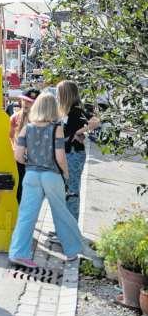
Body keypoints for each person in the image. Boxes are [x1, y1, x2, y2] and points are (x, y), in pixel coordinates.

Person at [8, 93, 92, 268]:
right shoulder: (56, 128)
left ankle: (18, 253)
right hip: (51, 176)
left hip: (31, 175)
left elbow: (18, 155)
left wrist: (30, 163)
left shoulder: (27, 128)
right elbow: (60, 157)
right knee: (61, 213)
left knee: (26, 215)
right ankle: (72, 251)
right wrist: (66, 174)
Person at [57, 81, 99, 221]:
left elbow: (95, 121)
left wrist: (78, 132)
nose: (57, 95)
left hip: (73, 154)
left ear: (66, 94)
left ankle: (71, 227)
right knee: (65, 190)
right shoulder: (66, 110)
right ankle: (65, 226)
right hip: (67, 154)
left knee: (72, 191)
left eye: (59, 92)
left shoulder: (76, 110)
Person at [9, 88, 40, 203]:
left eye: (30, 102)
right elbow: (10, 136)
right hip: (18, 160)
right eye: (24, 100)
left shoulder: (41, 120)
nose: (26, 104)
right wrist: (14, 150)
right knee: (19, 189)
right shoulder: (15, 118)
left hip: (35, 161)